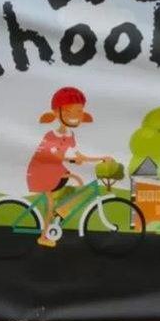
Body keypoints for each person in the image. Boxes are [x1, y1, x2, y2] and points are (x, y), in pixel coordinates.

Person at [27, 87, 111, 248]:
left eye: (78, 112)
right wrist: (73, 161)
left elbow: (79, 155)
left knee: (76, 187)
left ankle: (59, 214)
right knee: (51, 204)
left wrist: (100, 158)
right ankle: (44, 236)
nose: (74, 116)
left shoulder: (69, 135)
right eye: (68, 112)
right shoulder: (51, 135)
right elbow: (55, 155)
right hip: (41, 172)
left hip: (57, 171)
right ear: (56, 113)